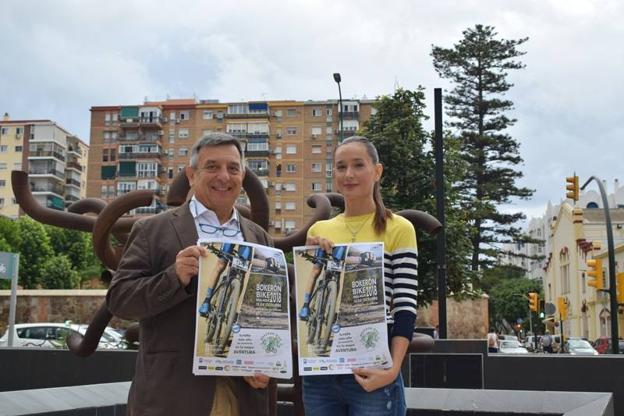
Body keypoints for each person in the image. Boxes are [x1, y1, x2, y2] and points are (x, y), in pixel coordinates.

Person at [107, 133, 273, 416]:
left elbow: (268, 314)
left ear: (242, 176)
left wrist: (266, 363)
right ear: (192, 174)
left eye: (233, 168)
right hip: (173, 395)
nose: (224, 176)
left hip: (243, 395)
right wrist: (174, 277)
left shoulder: (259, 237)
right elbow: (120, 300)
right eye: (212, 167)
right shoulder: (153, 230)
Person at [301, 136, 418, 416]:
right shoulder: (318, 229)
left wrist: (392, 370)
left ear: (377, 172)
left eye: (358, 165)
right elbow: (307, 299)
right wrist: (310, 259)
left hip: (373, 368)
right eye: (341, 167)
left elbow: (405, 304)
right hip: (319, 374)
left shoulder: (399, 228)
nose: (348, 174)